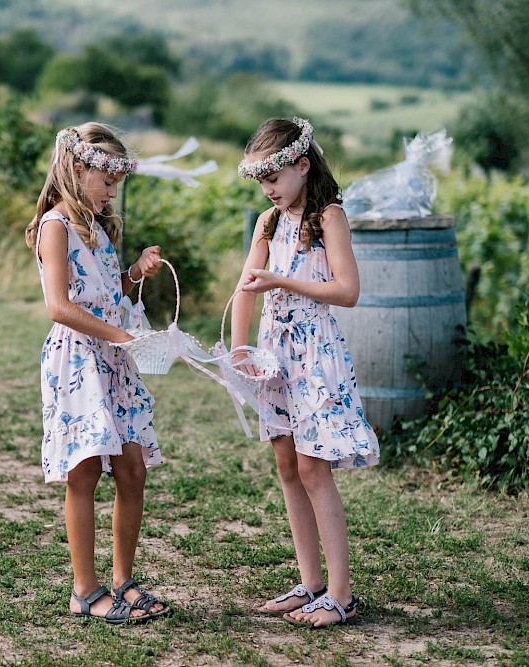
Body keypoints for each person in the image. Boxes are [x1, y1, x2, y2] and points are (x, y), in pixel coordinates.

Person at [230, 117, 379, 628]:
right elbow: (248, 284)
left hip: (315, 353)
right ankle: (310, 582)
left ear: (302, 164)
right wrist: (240, 348)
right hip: (276, 354)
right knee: (288, 466)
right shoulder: (267, 224)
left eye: (274, 177)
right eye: (261, 181)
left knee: (315, 468)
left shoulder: (328, 216)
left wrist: (285, 282)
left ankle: (341, 594)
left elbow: (348, 290)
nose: (268, 189)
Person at [24, 122, 170, 624]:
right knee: (84, 472)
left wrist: (134, 275)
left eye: (117, 182)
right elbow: (59, 307)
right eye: (105, 179)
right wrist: (123, 337)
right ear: (76, 168)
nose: (112, 191)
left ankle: (123, 580)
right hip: (79, 363)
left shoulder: (100, 228)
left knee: (132, 469)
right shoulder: (55, 227)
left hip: (113, 361)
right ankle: (84, 590)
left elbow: (110, 297)